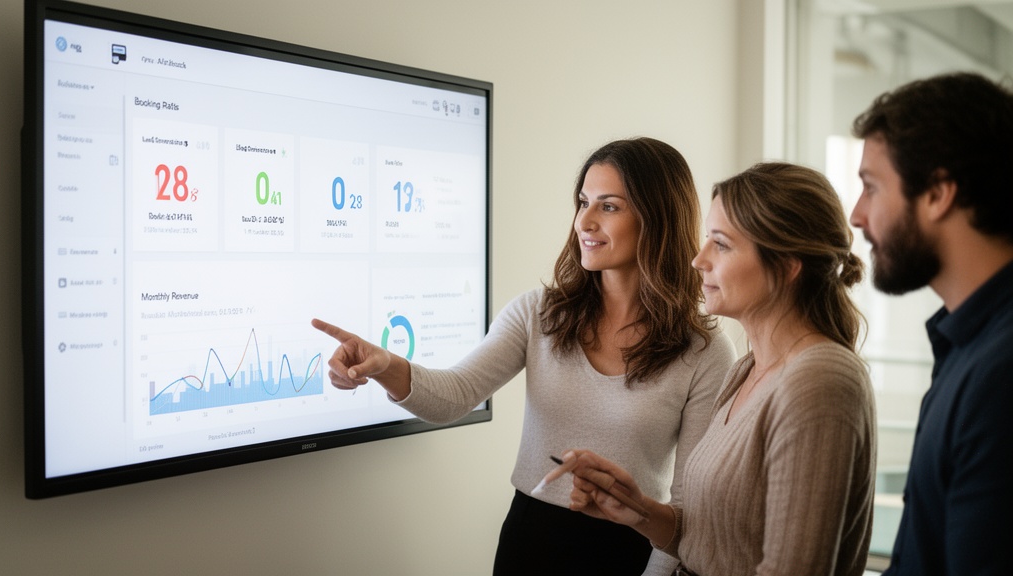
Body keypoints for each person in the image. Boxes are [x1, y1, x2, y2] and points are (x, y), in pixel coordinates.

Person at [312, 137, 736, 575]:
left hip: (631, 553)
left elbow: (690, 507)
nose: (584, 222)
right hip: (529, 542)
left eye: (609, 206)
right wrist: (386, 366)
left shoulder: (704, 352)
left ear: (658, 217)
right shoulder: (539, 313)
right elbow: (455, 395)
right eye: (583, 202)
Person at [545, 162, 877, 575]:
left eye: (720, 244)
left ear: (788, 265)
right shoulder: (746, 370)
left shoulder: (820, 381)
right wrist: (638, 510)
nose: (698, 260)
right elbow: (716, 542)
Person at [848, 72, 1013, 575]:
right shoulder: (966, 344)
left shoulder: (1000, 374)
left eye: (872, 188)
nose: (856, 215)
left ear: (939, 192)